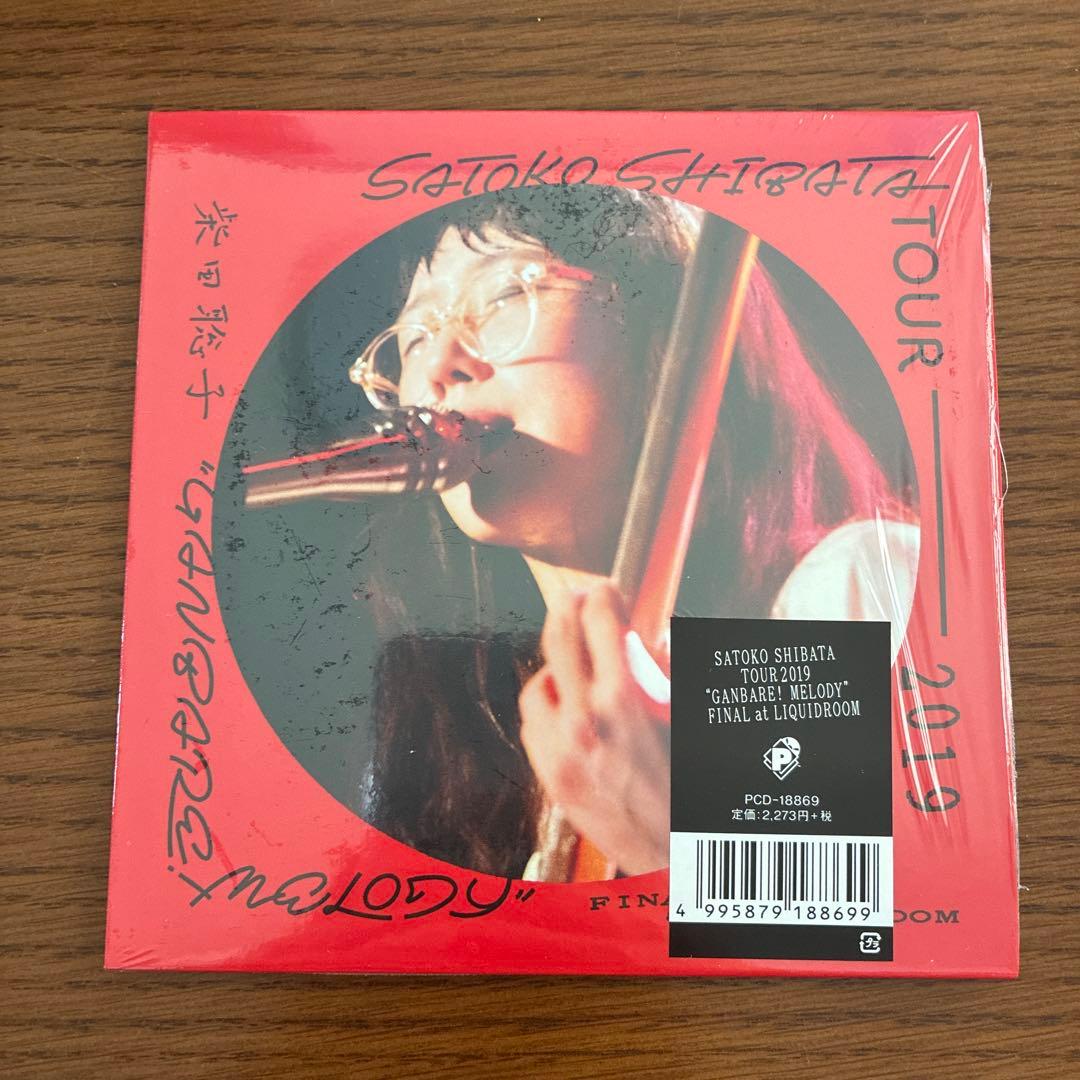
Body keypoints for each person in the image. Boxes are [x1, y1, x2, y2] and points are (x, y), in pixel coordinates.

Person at [352, 184, 919, 881]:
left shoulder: (852, 590)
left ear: (663, 330)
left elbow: (861, 935)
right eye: (414, 337)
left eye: (501, 295)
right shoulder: (479, 732)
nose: (439, 367)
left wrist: (667, 837)